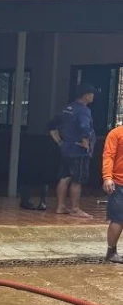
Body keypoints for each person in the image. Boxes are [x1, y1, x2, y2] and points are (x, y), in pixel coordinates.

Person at [53, 83, 97, 218]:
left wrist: (60, 141)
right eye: (92, 94)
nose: (93, 97)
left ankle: (60, 206)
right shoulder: (84, 110)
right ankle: (75, 208)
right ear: (86, 96)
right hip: (78, 150)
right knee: (77, 179)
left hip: (66, 148)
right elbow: (84, 127)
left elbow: (52, 125)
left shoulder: (67, 108)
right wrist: (85, 143)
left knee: (64, 177)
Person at [102, 122, 123, 263]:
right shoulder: (116, 134)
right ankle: (111, 251)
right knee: (118, 218)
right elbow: (108, 156)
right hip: (118, 182)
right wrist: (107, 177)